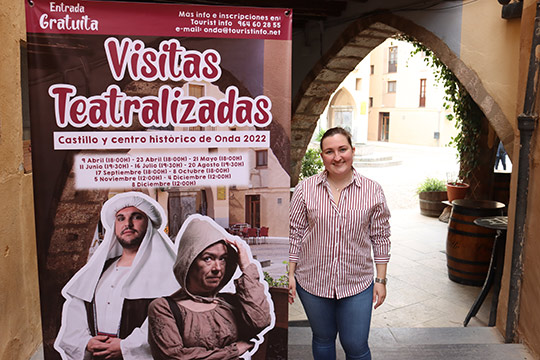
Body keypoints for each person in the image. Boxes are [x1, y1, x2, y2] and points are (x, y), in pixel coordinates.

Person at [289, 127, 391, 360]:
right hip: (313, 281)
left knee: (355, 344)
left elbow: (381, 237)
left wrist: (381, 280)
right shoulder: (306, 189)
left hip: (356, 283)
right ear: (322, 156)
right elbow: (295, 233)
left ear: (352, 151)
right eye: (329, 151)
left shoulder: (372, 190)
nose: (337, 157)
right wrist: (290, 274)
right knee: (323, 338)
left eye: (342, 149)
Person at [55, 192, 179, 360]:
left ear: (148, 225)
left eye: (136, 217)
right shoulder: (100, 270)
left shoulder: (165, 272)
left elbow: (168, 323)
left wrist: (125, 347)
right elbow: (77, 311)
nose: (127, 224)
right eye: (120, 218)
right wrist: (86, 342)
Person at [147, 214, 273, 360]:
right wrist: (233, 351)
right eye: (208, 258)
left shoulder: (229, 303)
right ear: (189, 261)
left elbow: (260, 321)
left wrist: (246, 266)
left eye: (223, 259)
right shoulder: (164, 308)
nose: (217, 268)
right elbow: (174, 357)